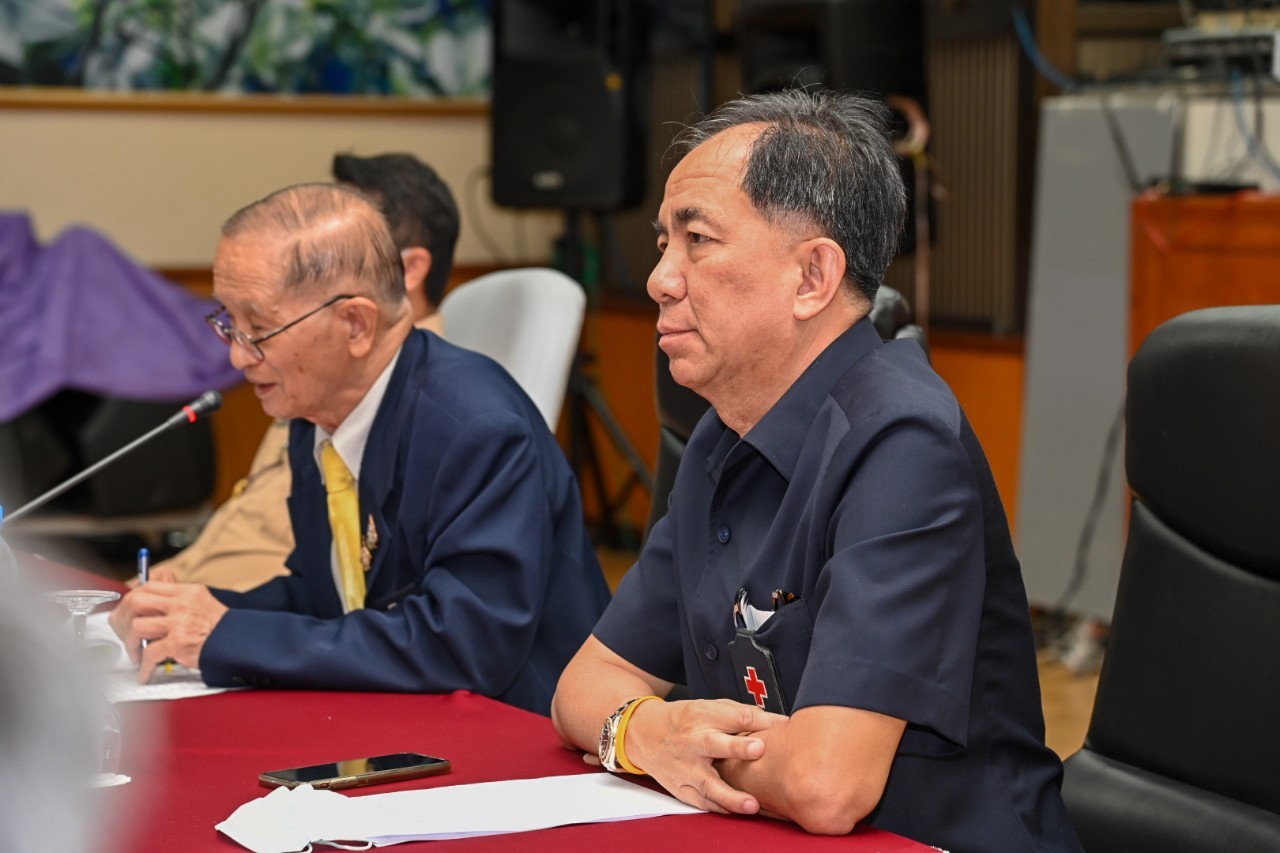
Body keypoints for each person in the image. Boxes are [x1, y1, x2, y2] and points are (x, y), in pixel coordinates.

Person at [550, 89, 1082, 850]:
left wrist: (674, 743)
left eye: (697, 239)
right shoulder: (722, 434)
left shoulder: (903, 443)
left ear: (812, 277)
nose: (660, 278)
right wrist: (644, 731)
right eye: (664, 242)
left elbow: (826, 784)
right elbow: (583, 685)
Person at [110, 183, 610, 715]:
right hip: (402, 716)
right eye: (229, 323)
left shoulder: (477, 428)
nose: (237, 357)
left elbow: (463, 646)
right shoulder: (316, 411)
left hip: (523, 731)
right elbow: (323, 597)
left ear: (355, 324)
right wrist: (196, 614)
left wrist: (226, 635)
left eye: (258, 328)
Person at [156, 153, 460, 591]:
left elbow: (395, 610)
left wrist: (216, 615)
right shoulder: (314, 383)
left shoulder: (436, 414)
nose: (238, 358)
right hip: (208, 583)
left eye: (340, 250)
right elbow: (309, 579)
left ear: (407, 270)